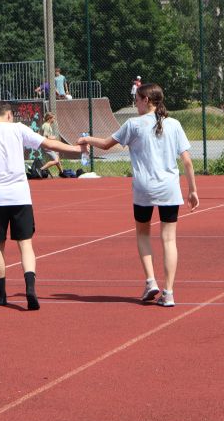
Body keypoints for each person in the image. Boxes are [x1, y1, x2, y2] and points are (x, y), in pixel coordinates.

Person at [78, 83, 199, 307]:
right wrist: (192, 190)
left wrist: (86, 140)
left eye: (137, 100)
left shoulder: (133, 124)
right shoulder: (174, 124)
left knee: (143, 234)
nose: (135, 104)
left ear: (146, 100)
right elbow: (187, 161)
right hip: (169, 188)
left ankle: (150, 281)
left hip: (144, 188)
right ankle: (169, 292)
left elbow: (105, 145)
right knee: (169, 240)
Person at [0, 101, 87, 311]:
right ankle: (30, 288)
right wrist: (76, 149)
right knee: (26, 244)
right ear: (8, 115)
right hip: (20, 196)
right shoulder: (19, 129)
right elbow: (48, 144)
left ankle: (1, 295)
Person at [39, 113, 64, 177]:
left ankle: (62, 172)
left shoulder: (46, 125)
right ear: (49, 118)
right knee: (56, 160)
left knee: (57, 158)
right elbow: (45, 136)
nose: (54, 120)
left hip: (47, 145)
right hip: (47, 146)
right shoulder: (47, 125)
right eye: (53, 118)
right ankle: (41, 169)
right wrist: (53, 137)